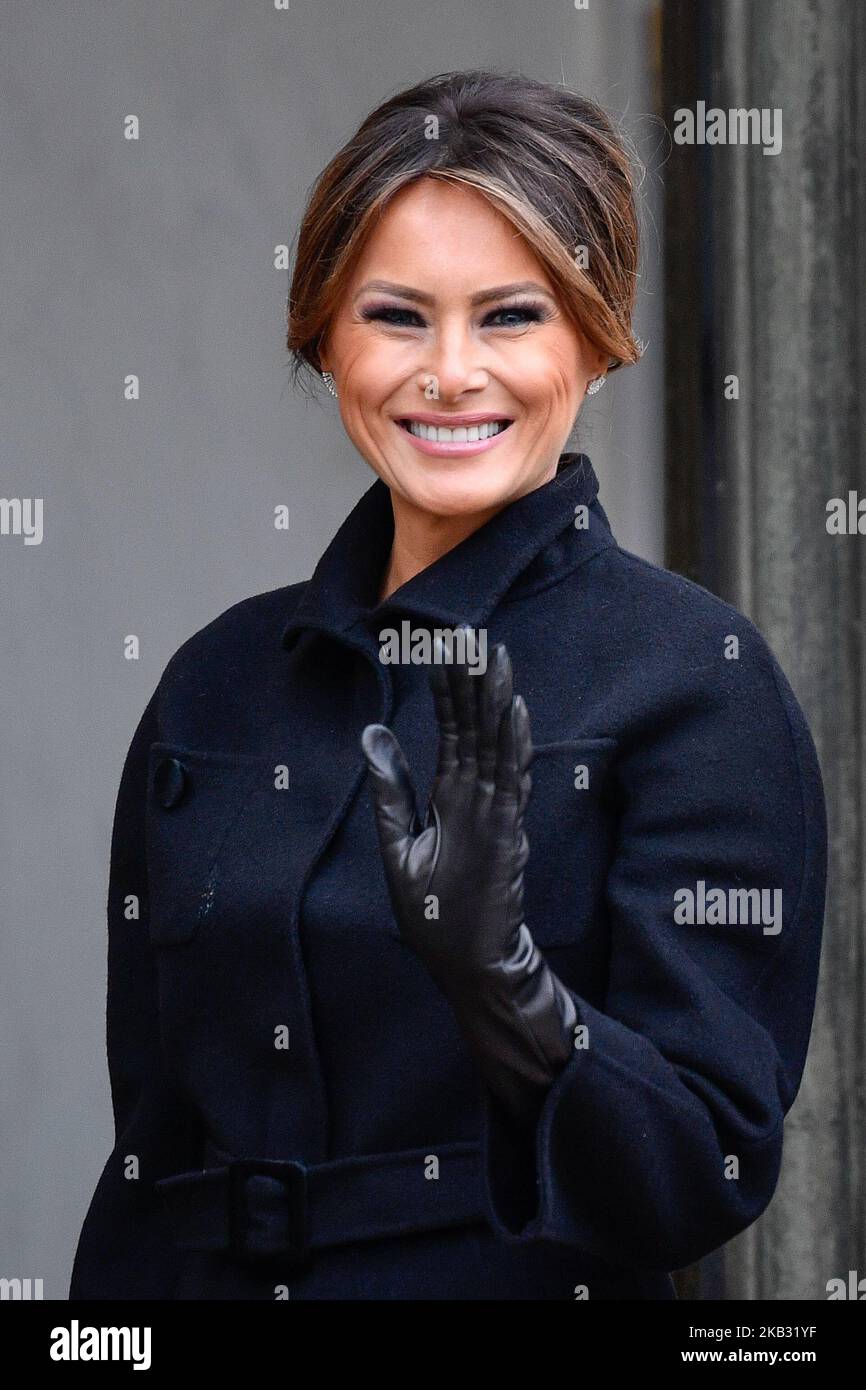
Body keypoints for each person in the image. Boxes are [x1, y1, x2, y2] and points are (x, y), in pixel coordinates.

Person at [69, 69, 826, 1301]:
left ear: (596, 333)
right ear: (323, 335)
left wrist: (508, 989)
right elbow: (152, 1143)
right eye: (398, 315)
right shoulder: (217, 682)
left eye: (511, 315)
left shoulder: (697, 685)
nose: (450, 371)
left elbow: (700, 1172)